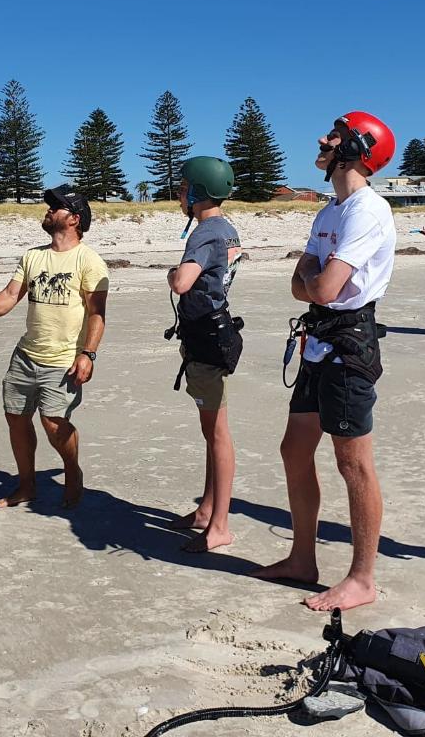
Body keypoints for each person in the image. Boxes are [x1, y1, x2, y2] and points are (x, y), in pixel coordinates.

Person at [253, 111, 396, 612]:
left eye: (334, 135)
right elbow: (300, 285)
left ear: (357, 148)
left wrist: (314, 279)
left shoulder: (367, 210)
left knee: (353, 462)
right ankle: (302, 559)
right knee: (294, 449)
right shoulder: (330, 210)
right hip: (318, 341)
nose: (321, 139)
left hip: (350, 345)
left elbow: (324, 286)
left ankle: (362, 578)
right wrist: (313, 280)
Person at [0, 186, 108, 509]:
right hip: (26, 356)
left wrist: (88, 354)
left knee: (54, 423)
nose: (49, 209)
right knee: (16, 416)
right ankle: (26, 485)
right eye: (50, 205)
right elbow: (11, 295)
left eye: (57, 206)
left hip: (64, 358)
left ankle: (72, 471)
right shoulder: (33, 256)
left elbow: (97, 313)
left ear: (74, 219)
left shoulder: (89, 261)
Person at [165, 157, 244, 553]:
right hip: (215, 331)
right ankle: (206, 512)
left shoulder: (206, 232)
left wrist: (170, 274)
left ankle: (220, 526)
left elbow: (182, 282)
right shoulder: (227, 230)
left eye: (183, 188)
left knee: (217, 434)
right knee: (211, 430)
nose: (179, 194)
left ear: (198, 191)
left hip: (207, 338)